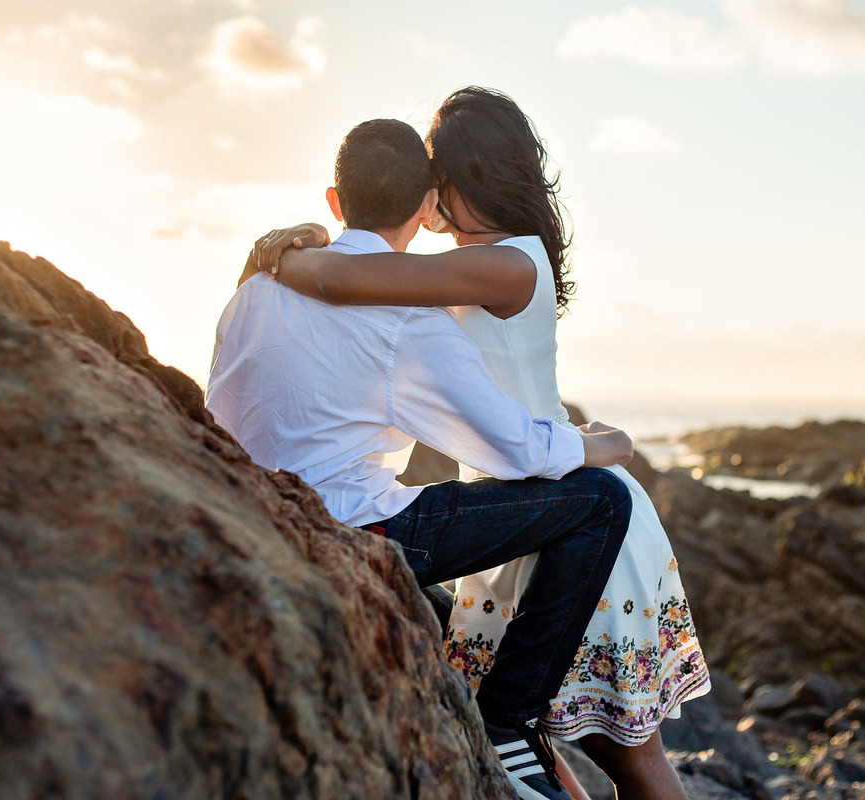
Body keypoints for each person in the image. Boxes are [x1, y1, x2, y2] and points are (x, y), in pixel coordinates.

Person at [246, 87, 711, 800]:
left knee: (627, 754)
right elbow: (372, 269)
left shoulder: (508, 262)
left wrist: (286, 253)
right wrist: (320, 230)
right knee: (525, 745)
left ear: (471, 179)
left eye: (440, 176)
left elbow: (346, 275)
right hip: (524, 507)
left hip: (561, 500)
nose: (428, 193)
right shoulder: (467, 258)